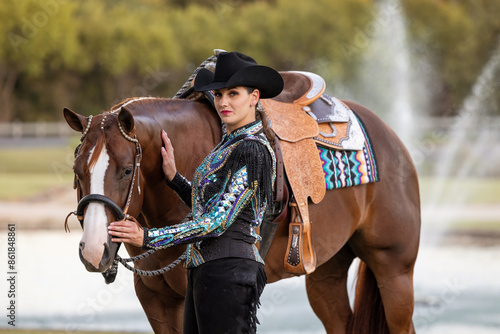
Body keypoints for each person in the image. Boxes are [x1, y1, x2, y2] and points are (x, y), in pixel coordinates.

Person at [108, 51, 284, 334]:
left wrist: (147, 237)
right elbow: (210, 206)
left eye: (233, 94)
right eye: (219, 94)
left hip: (230, 274)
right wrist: (174, 178)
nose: (223, 102)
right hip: (206, 273)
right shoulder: (229, 145)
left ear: (254, 98)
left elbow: (217, 221)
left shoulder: (252, 149)